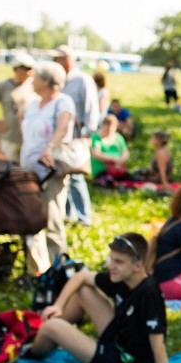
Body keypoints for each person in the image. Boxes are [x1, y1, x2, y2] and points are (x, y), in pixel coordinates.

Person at [29, 232, 181, 363]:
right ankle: (50, 329)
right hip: (118, 337)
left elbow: (158, 345)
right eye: (111, 259)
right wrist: (58, 306)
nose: (111, 266)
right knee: (84, 291)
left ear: (138, 265)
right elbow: (81, 276)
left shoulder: (149, 294)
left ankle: (29, 350)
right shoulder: (123, 277)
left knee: (51, 327)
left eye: (118, 262)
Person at [21, 61, 75, 272]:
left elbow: (62, 127)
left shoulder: (63, 102)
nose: (32, 82)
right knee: (29, 219)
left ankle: (59, 270)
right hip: (29, 171)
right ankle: (36, 269)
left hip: (50, 172)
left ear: (45, 81)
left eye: (35, 78)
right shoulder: (33, 104)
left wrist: (50, 146)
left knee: (52, 220)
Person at [50, 45, 99, 227]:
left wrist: (87, 135)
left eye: (58, 58)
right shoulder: (57, 80)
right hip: (59, 136)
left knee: (76, 176)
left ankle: (84, 217)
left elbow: (91, 110)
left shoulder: (82, 80)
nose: (55, 62)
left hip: (76, 136)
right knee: (63, 175)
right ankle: (69, 215)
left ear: (67, 59)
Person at [0, 52, 37, 162]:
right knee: (9, 167)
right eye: (25, 68)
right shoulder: (4, 86)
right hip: (9, 136)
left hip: (29, 138)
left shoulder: (34, 85)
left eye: (30, 68)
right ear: (16, 69)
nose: (29, 72)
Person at [90, 114, 130, 182]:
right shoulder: (96, 138)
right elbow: (96, 154)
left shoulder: (118, 137)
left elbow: (125, 152)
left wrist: (119, 162)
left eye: (112, 126)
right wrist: (114, 159)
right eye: (107, 125)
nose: (109, 128)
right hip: (102, 170)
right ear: (103, 125)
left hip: (118, 169)